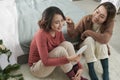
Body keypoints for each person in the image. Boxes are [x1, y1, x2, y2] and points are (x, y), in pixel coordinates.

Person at [28, 6, 88, 80]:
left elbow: (65, 46)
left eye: (62, 20)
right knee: (60, 50)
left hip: (49, 59)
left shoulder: (57, 30)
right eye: (57, 22)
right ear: (48, 22)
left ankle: (77, 72)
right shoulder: (41, 34)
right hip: (37, 67)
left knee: (67, 44)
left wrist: (79, 67)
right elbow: (45, 61)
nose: (61, 25)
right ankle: (73, 77)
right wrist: (69, 59)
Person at [66, 2, 116, 80]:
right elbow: (73, 34)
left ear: (107, 19)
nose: (96, 16)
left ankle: (106, 70)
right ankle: (91, 69)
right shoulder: (87, 19)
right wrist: (70, 25)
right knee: (89, 39)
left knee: (102, 42)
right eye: (97, 11)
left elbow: (105, 39)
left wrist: (88, 32)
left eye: (102, 16)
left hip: (99, 47)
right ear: (95, 9)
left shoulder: (110, 23)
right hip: (85, 46)